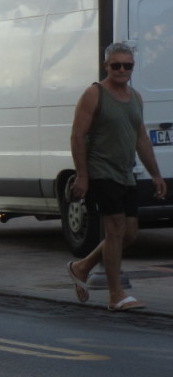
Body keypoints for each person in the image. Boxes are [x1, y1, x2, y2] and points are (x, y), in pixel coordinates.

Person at [66, 41, 167, 311]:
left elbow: (141, 138)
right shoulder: (94, 94)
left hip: (126, 174)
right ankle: (116, 295)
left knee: (130, 233)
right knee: (115, 230)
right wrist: (83, 176)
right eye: (116, 65)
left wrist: (156, 174)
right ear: (106, 66)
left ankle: (82, 267)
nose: (122, 70)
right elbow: (77, 135)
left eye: (127, 65)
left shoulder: (135, 97)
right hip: (101, 172)